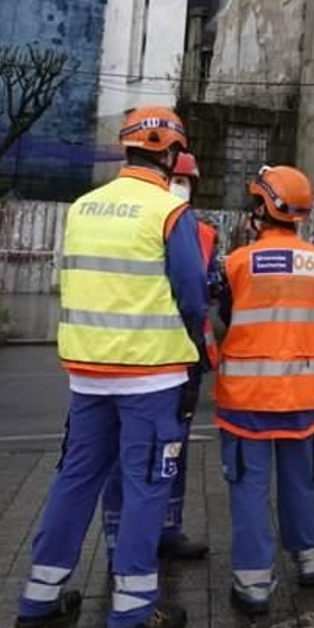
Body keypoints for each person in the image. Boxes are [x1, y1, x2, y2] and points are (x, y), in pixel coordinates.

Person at [13, 107, 206, 628]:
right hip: (150, 374)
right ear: (170, 155)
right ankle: (130, 616)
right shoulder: (169, 212)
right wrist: (192, 348)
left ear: (127, 150)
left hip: (87, 374)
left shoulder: (82, 208)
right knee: (147, 487)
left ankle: (38, 602)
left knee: (74, 481)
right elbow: (192, 295)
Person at [214, 165, 314, 616]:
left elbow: (223, 317)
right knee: (301, 482)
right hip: (305, 397)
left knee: (249, 488)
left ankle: (253, 585)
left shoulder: (237, 264)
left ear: (259, 208)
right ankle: (309, 560)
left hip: (249, 401)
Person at [99, 151, 215, 569]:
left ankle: (168, 529)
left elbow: (204, 291)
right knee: (126, 455)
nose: (180, 188)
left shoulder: (202, 233)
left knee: (173, 450)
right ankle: (122, 546)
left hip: (183, 360)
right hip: (136, 357)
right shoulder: (131, 224)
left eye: (187, 182)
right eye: (177, 180)